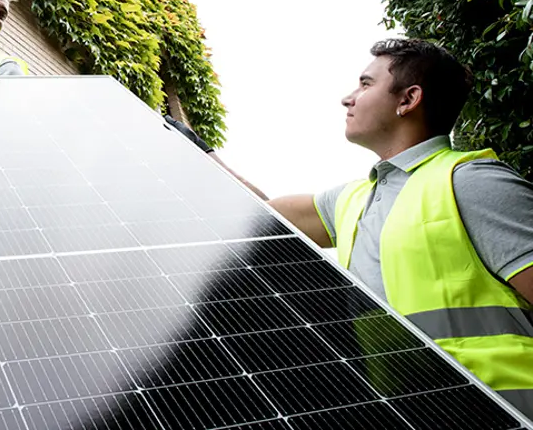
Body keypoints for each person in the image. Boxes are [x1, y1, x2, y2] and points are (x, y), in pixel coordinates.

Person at [185, 38, 533, 414]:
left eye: (366, 84)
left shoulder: (472, 182)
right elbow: (257, 214)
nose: (348, 98)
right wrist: (194, 149)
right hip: (414, 411)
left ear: (408, 100)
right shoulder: (353, 200)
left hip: (505, 407)